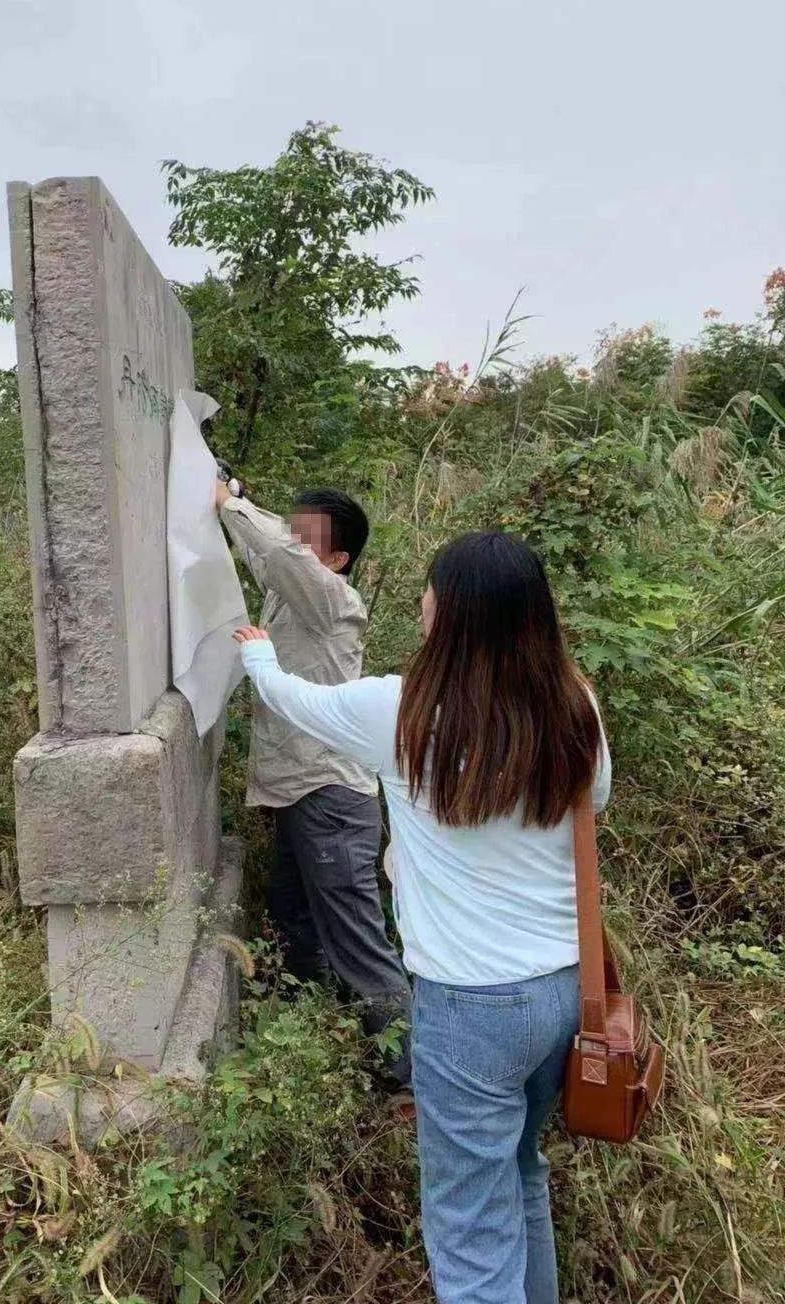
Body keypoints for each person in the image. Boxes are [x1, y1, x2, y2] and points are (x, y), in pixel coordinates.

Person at [233, 530, 611, 1304]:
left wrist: (258, 654)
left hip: (471, 1004)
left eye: (432, 589)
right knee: (521, 1175)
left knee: (469, 1230)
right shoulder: (575, 706)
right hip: (567, 991)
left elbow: (295, 702)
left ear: (450, 612)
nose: (422, 600)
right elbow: (593, 803)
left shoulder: (399, 710)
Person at [215, 478, 412, 1093]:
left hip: (329, 798)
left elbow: (276, 551)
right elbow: (271, 550)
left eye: (309, 538)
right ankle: (319, 1041)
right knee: (296, 920)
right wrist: (237, 496)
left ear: (337, 560)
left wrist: (230, 503)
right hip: (301, 793)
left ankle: (411, 1079)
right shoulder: (297, 594)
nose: (293, 542)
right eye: (292, 528)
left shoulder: (334, 603)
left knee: (357, 942)